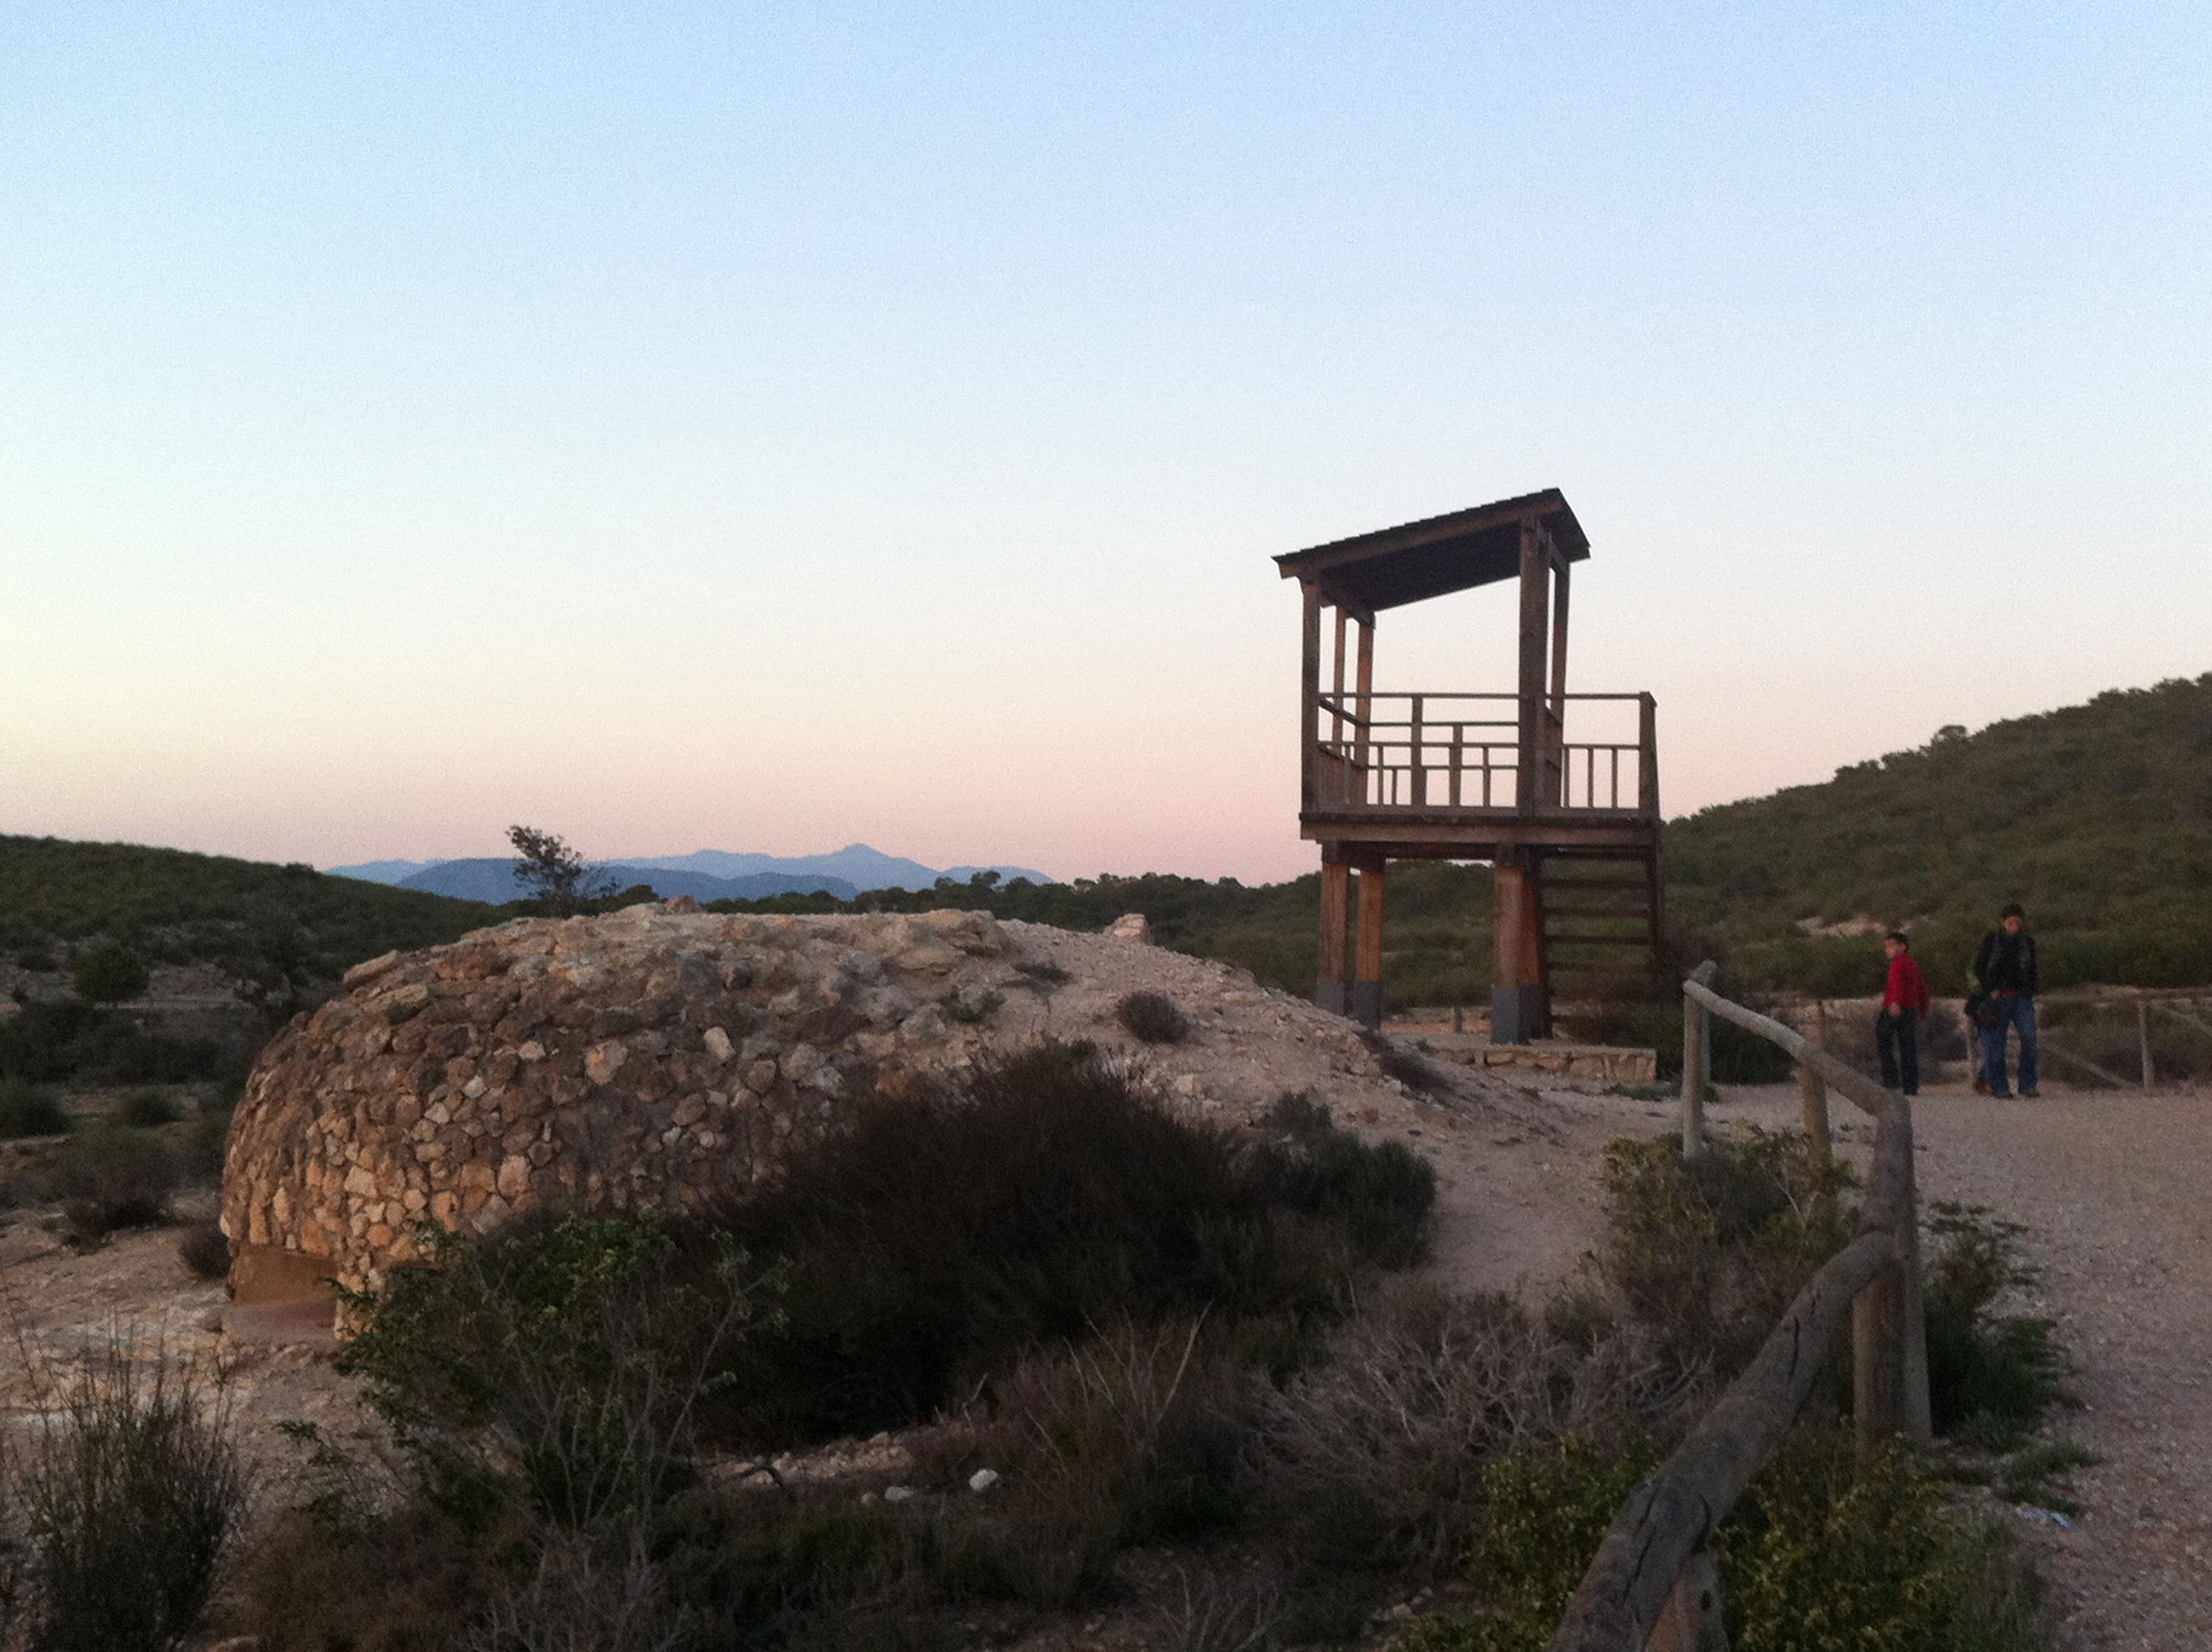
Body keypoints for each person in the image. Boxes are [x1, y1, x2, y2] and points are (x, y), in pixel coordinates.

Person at [1973, 903, 2040, 1097]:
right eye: (2011, 922)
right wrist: (1991, 989)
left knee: (2029, 1037)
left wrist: (2030, 990)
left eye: (2017, 923)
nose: (2014, 926)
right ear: (2003, 922)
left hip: (2022, 998)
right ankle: (1999, 1085)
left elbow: (2032, 969)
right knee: (1996, 1043)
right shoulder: (1992, 941)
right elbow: (1979, 967)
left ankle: (2028, 1083)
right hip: (1999, 998)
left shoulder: (2027, 943)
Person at [1877, 930, 1930, 1095]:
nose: (1888, 950)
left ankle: (1891, 1080)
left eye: (1891, 946)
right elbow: (1922, 988)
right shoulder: (1912, 964)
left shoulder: (1898, 963)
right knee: (1908, 1047)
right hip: (1910, 1009)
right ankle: (1910, 1085)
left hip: (1896, 1008)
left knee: (1883, 1040)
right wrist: (1923, 1009)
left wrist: (1895, 1002)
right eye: (1887, 946)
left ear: (1902, 947)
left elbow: (1897, 984)